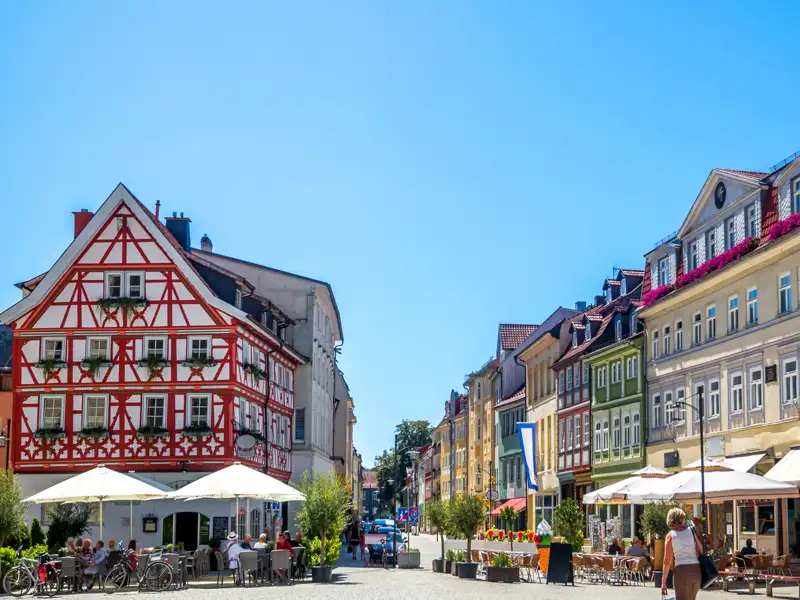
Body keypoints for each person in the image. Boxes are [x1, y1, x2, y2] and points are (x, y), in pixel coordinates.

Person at [662, 507, 703, 600]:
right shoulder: (692, 531)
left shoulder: (670, 536)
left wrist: (663, 581)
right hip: (696, 570)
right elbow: (700, 549)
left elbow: (667, 561)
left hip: (682, 571)